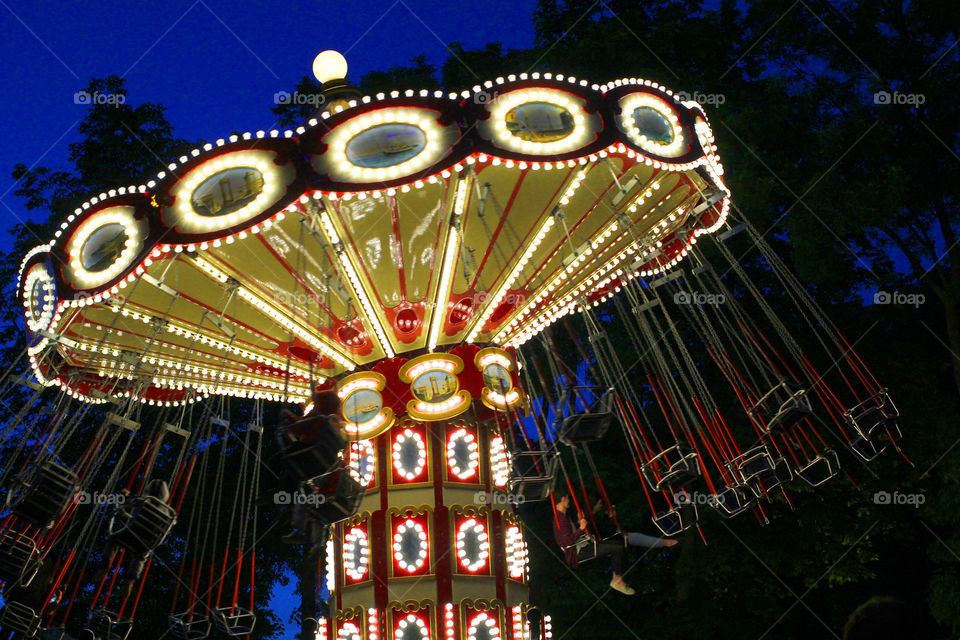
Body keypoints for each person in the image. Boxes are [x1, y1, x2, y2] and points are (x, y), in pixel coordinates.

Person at [552, 492, 635, 595]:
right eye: (568, 499)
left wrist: (579, 524)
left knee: (618, 546)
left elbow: (571, 534)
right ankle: (617, 580)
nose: (569, 502)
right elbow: (565, 541)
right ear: (563, 499)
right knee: (617, 549)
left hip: (584, 546)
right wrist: (581, 529)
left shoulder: (564, 517)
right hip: (580, 552)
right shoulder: (560, 519)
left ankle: (617, 578)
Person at [592, 498, 679, 549]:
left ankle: (665, 542)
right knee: (637, 537)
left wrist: (611, 518)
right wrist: (611, 519)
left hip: (616, 535)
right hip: (612, 539)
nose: (601, 506)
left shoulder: (598, 518)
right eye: (599, 504)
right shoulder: (594, 520)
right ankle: (665, 543)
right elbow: (605, 531)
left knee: (638, 535)